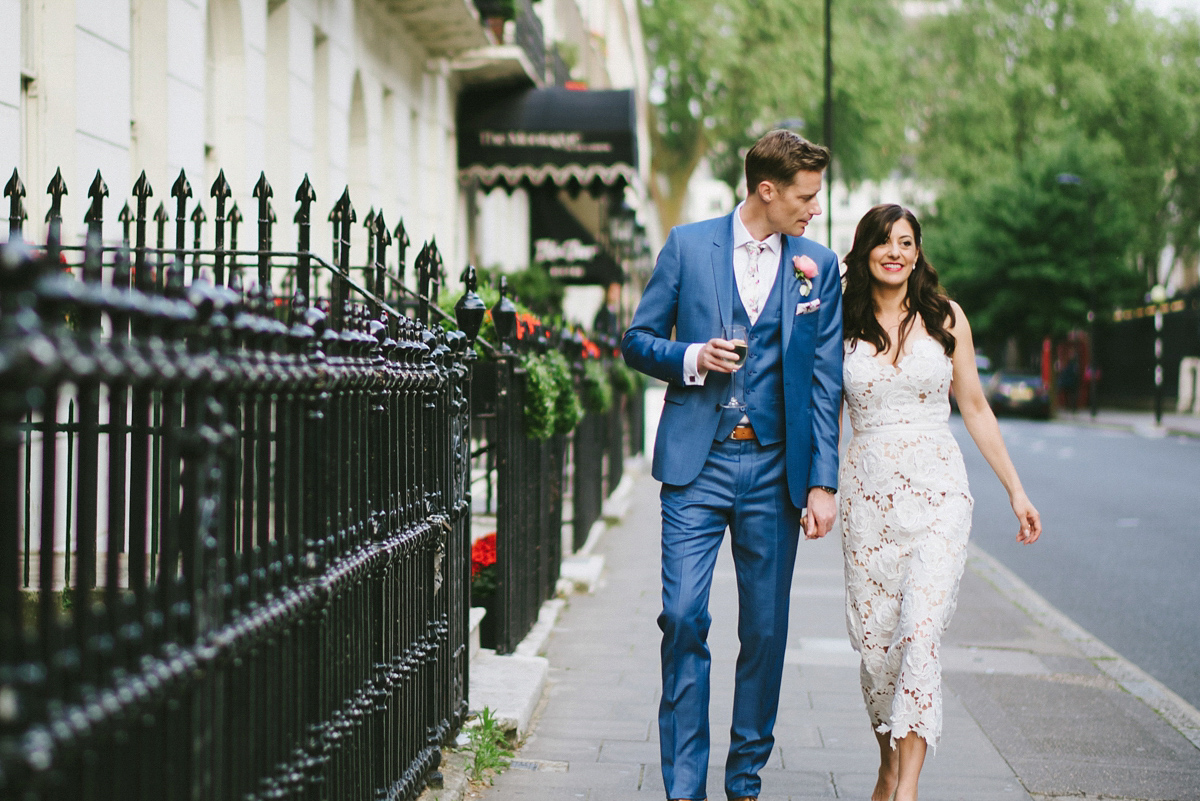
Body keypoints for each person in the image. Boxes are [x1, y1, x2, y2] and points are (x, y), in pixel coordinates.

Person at [621, 130, 843, 801]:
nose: (815, 210)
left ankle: (743, 776)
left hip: (775, 471)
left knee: (766, 629)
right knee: (684, 616)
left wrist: (823, 481)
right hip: (697, 464)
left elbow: (824, 382)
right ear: (766, 190)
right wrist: (691, 358)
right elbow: (635, 340)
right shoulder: (688, 246)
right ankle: (684, 786)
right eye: (805, 197)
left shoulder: (818, 265)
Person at [839, 204, 1042, 801]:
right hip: (868, 502)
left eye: (906, 242)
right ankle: (888, 766)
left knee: (918, 635)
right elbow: (821, 412)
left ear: (918, 251)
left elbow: (975, 407)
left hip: (938, 495)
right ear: (866, 251)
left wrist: (1016, 489)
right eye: (883, 242)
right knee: (878, 654)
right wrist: (814, 490)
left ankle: (907, 791)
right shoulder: (841, 321)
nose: (895, 252)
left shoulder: (946, 318)